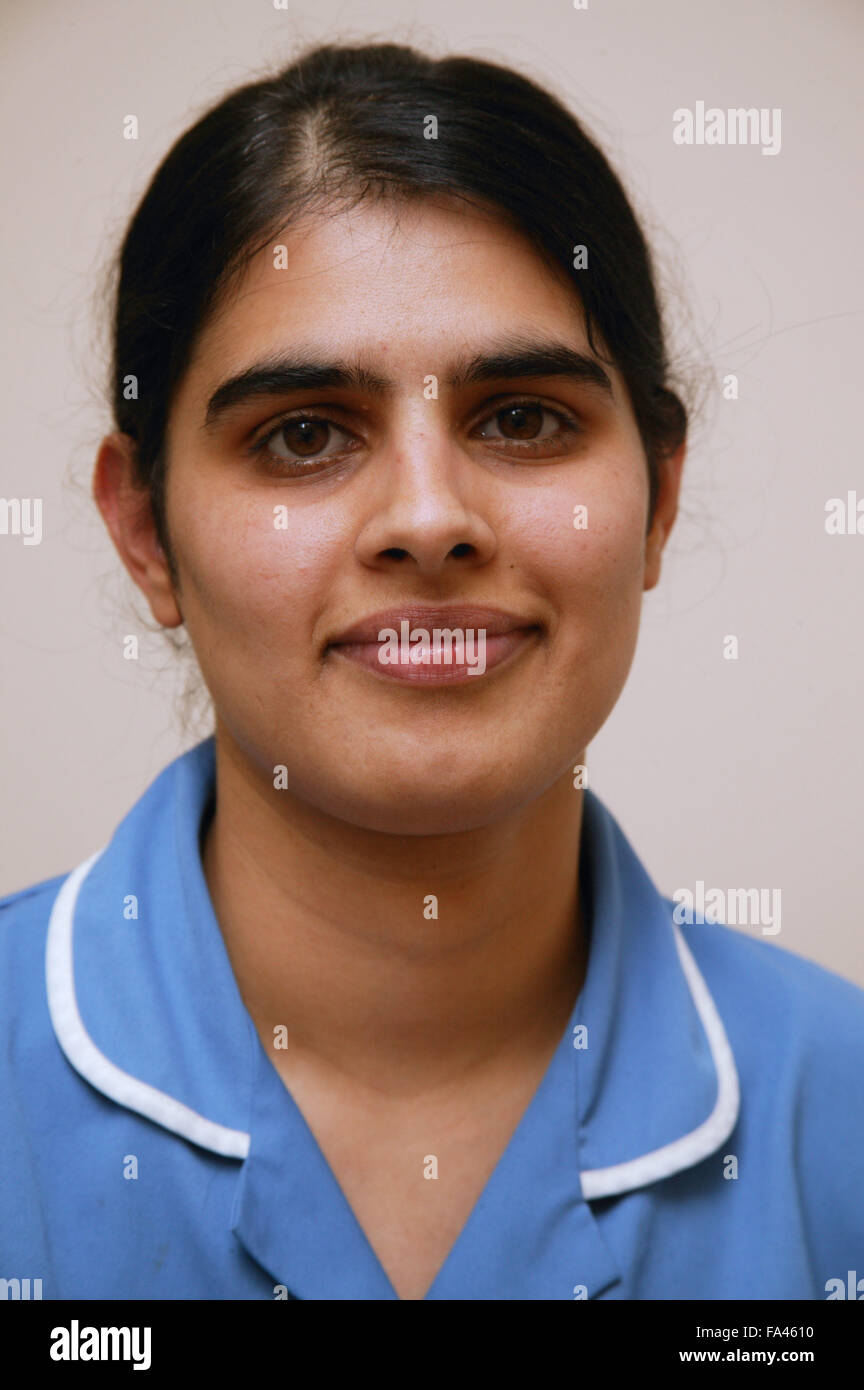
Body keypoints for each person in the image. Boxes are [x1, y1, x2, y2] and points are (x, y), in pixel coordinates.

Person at [1, 40, 862, 1303]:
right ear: (147, 533)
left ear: (659, 499)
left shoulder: (838, 1103)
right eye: (303, 434)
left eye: (522, 417)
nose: (428, 516)